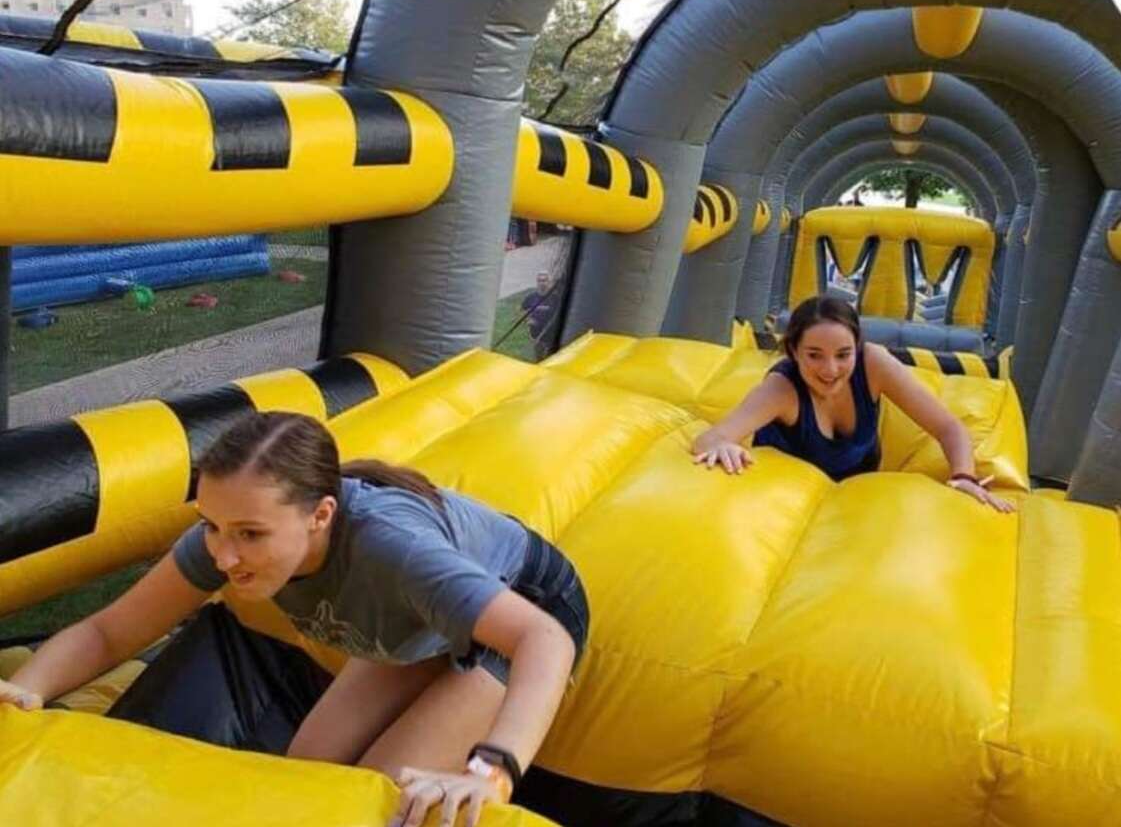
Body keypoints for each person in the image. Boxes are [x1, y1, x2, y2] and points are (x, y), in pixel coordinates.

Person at [0, 412, 590, 827]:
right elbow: (109, 630)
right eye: (211, 524)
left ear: (320, 515)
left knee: (374, 803)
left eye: (250, 534)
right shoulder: (224, 541)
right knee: (306, 773)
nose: (224, 556)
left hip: (530, 604)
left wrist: (494, 768)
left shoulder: (392, 548)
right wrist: (26, 689)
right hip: (421, 624)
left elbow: (542, 638)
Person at [692, 296, 1014, 512]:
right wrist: (725, 446)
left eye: (843, 355)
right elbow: (709, 439)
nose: (830, 371)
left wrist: (963, 477)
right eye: (814, 355)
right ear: (793, 351)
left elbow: (948, 427)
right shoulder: (782, 388)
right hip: (785, 504)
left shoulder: (874, 363)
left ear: (857, 348)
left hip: (856, 503)